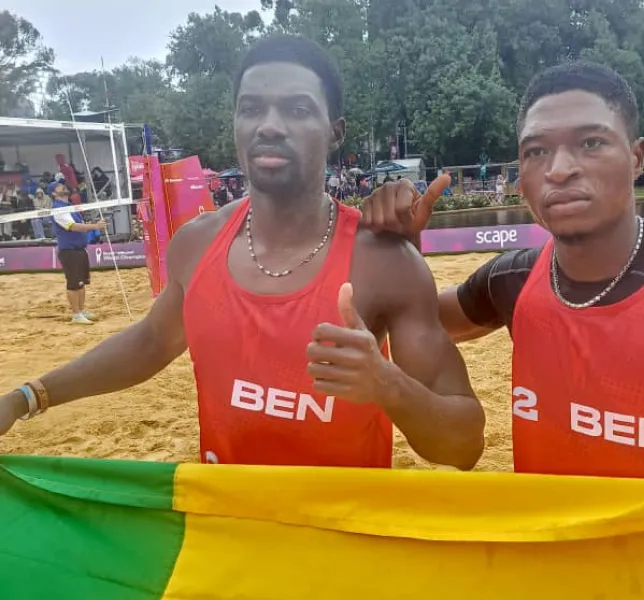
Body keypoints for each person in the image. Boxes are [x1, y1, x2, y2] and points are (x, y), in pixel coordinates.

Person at [362, 61, 644, 562]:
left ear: (637, 158)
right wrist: (401, 250)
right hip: (553, 572)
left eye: (590, 143)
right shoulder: (511, 279)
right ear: (520, 176)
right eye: (536, 151)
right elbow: (414, 322)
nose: (559, 168)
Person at [0, 35, 485, 472]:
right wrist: (27, 397)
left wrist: (387, 385)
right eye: (251, 108)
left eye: (296, 110)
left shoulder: (385, 262)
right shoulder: (197, 242)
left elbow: (464, 447)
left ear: (335, 131)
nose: (269, 126)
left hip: (341, 546)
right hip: (225, 538)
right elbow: (151, 341)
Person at [47, 182, 106, 324]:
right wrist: (95, 226)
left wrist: (93, 224)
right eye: (59, 187)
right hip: (69, 250)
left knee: (81, 282)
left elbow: (78, 224)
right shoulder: (58, 209)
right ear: (54, 193)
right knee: (74, 283)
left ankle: (81, 310)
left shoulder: (70, 206)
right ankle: (76, 314)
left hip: (79, 248)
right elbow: (73, 227)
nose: (63, 187)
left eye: (63, 185)